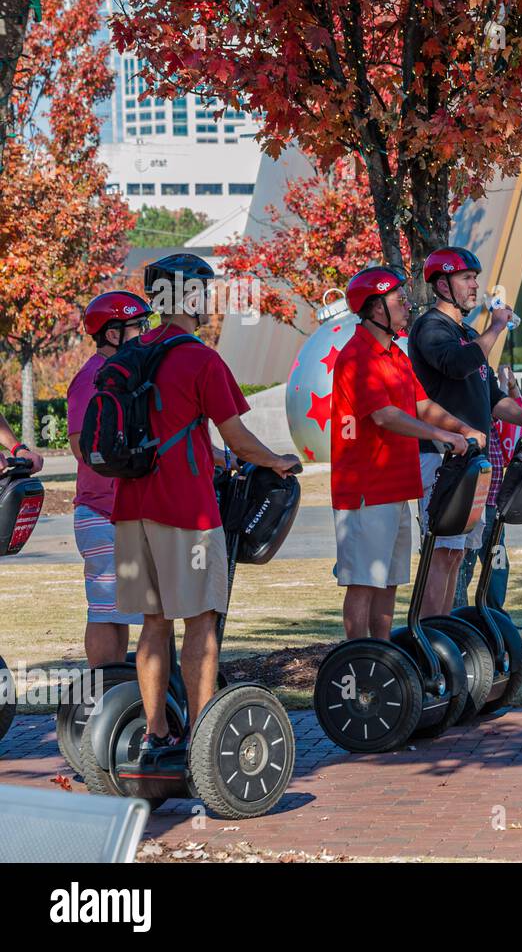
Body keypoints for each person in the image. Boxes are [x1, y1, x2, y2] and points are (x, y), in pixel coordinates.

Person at [114, 252, 299, 766]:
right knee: (200, 622)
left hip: (130, 509)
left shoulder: (128, 354)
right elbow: (238, 438)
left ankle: (156, 734)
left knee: (153, 623)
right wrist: (277, 460)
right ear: (189, 296)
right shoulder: (200, 358)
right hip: (187, 513)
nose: (211, 300)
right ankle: (201, 736)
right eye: (205, 290)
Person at [331, 266, 470, 641]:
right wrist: (442, 435)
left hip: (395, 489)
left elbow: (421, 404)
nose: (407, 307)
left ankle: (384, 658)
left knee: (389, 583)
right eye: (398, 300)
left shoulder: (395, 354)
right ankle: (357, 663)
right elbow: (386, 415)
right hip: (365, 491)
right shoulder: (358, 356)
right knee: (364, 583)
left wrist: (463, 429)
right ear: (376, 308)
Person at [407, 246, 522, 619]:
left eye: (474, 278)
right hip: (441, 457)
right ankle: (432, 634)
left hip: (471, 461)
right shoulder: (431, 328)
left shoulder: (466, 332)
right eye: (467, 277)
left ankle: (445, 628)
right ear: (442, 285)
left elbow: (493, 397)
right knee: (441, 551)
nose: (474, 285)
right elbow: (456, 364)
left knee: (457, 552)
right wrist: (496, 326)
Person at [66, 293, 150, 667]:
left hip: (121, 511)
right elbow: (81, 447)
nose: (143, 333)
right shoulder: (91, 380)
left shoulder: (121, 375)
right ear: (112, 334)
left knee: (121, 612)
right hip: (100, 512)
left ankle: (116, 688)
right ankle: (103, 691)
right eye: (137, 326)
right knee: (104, 611)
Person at [454, 364, 522, 611]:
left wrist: (509, 384)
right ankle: (459, 616)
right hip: (474, 502)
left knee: (497, 562)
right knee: (464, 563)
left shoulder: (489, 405)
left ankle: (493, 613)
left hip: (494, 501)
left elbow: (513, 404)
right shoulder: (467, 405)